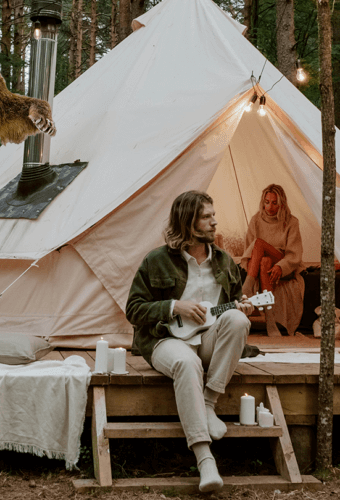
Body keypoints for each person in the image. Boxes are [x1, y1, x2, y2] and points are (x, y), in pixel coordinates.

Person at [126, 191, 253, 493]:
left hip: (207, 339)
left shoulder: (223, 260)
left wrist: (242, 305)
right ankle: (204, 458)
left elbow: (234, 301)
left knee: (238, 320)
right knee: (186, 362)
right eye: (207, 217)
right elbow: (133, 310)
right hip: (164, 338)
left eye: (213, 215)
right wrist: (173, 306)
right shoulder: (156, 260)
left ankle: (209, 402)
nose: (214, 222)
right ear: (188, 221)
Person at [240, 184, 304, 337]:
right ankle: (270, 320)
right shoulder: (256, 220)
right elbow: (249, 252)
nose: (270, 206)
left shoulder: (291, 222)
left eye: (274, 202)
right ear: (263, 202)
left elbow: (294, 254)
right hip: (266, 266)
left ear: (282, 203)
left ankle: (246, 288)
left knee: (259, 243)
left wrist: (281, 266)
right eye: (267, 202)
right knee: (264, 262)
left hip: (284, 266)